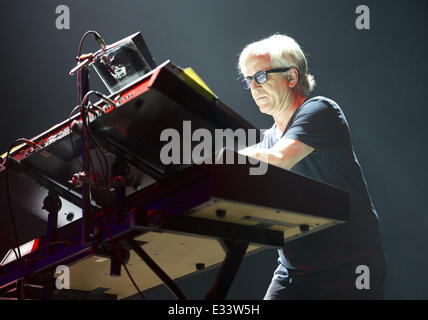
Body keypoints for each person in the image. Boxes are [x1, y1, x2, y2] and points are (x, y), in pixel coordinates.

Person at [238, 34, 387, 299]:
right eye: (248, 80)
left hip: (348, 267)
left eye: (260, 76)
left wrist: (220, 161)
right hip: (294, 272)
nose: (254, 87)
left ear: (292, 77)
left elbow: (279, 159)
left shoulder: (320, 110)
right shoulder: (267, 139)